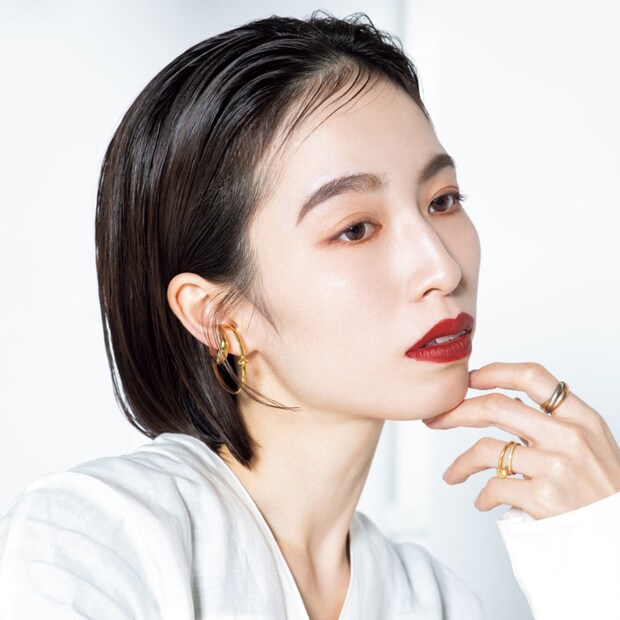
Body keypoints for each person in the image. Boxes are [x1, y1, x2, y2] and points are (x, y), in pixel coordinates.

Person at [1, 12, 619, 620]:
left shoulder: (435, 602)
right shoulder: (93, 544)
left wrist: (597, 552)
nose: (443, 267)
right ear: (217, 314)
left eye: (442, 200)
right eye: (355, 229)